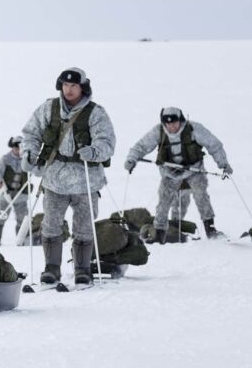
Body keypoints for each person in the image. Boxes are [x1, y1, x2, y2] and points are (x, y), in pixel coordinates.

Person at [21, 67, 116, 285]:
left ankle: (83, 269)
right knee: (51, 223)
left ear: (82, 87)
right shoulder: (49, 108)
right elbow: (31, 133)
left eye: (74, 85)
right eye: (65, 85)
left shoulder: (95, 112)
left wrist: (94, 152)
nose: (69, 90)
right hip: (55, 178)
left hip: (86, 179)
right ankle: (51, 268)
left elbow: (107, 142)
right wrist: (29, 153)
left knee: (83, 226)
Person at [124, 107, 232, 243]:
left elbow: (214, 145)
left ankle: (210, 230)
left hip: (194, 170)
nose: (171, 127)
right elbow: (141, 146)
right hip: (169, 173)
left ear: (181, 121)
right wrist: (131, 159)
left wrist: (223, 164)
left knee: (201, 196)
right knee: (163, 201)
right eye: (167, 124)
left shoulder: (194, 129)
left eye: (174, 123)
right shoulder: (159, 131)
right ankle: (159, 233)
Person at [0, 136, 29, 246]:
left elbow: (35, 170)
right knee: (0, 215)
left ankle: (20, 241)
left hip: (21, 194)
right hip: (6, 193)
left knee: (22, 218)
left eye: (20, 146)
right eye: (15, 146)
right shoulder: (5, 159)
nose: (17, 149)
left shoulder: (28, 159)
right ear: (12, 147)